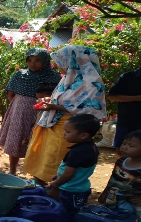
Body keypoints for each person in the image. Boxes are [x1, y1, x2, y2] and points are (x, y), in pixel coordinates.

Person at [23, 45, 107, 186]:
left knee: (59, 159)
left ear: (74, 61)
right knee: (45, 156)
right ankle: (40, 185)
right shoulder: (69, 78)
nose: (59, 67)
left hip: (70, 128)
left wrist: (55, 106)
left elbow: (90, 112)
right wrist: (49, 100)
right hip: (53, 124)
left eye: (62, 62)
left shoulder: (92, 83)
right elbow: (63, 99)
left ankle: (57, 187)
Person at [0, 48, 61, 175]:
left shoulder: (53, 77)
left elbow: (58, 94)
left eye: (37, 60)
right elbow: (10, 93)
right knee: (17, 139)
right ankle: (13, 170)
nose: (32, 63)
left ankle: (36, 172)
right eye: (29, 60)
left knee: (38, 139)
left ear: (45, 61)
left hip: (43, 110)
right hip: (20, 110)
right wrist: (18, 106)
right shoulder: (19, 75)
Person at [98, 129, 141, 222]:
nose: (124, 147)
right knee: (110, 221)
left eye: (131, 146)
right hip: (112, 199)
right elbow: (113, 178)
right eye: (124, 143)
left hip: (133, 207)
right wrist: (105, 192)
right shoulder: (121, 161)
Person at [46, 114, 101, 221]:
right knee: (76, 210)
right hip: (81, 187)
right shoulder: (91, 147)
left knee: (69, 213)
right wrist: (58, 175)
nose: (64, 134)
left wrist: (56, 183)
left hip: (70, 190)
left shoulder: (78, 152)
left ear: (83, 135)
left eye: (68, 132)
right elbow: (79, 169)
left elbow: (68, 174)